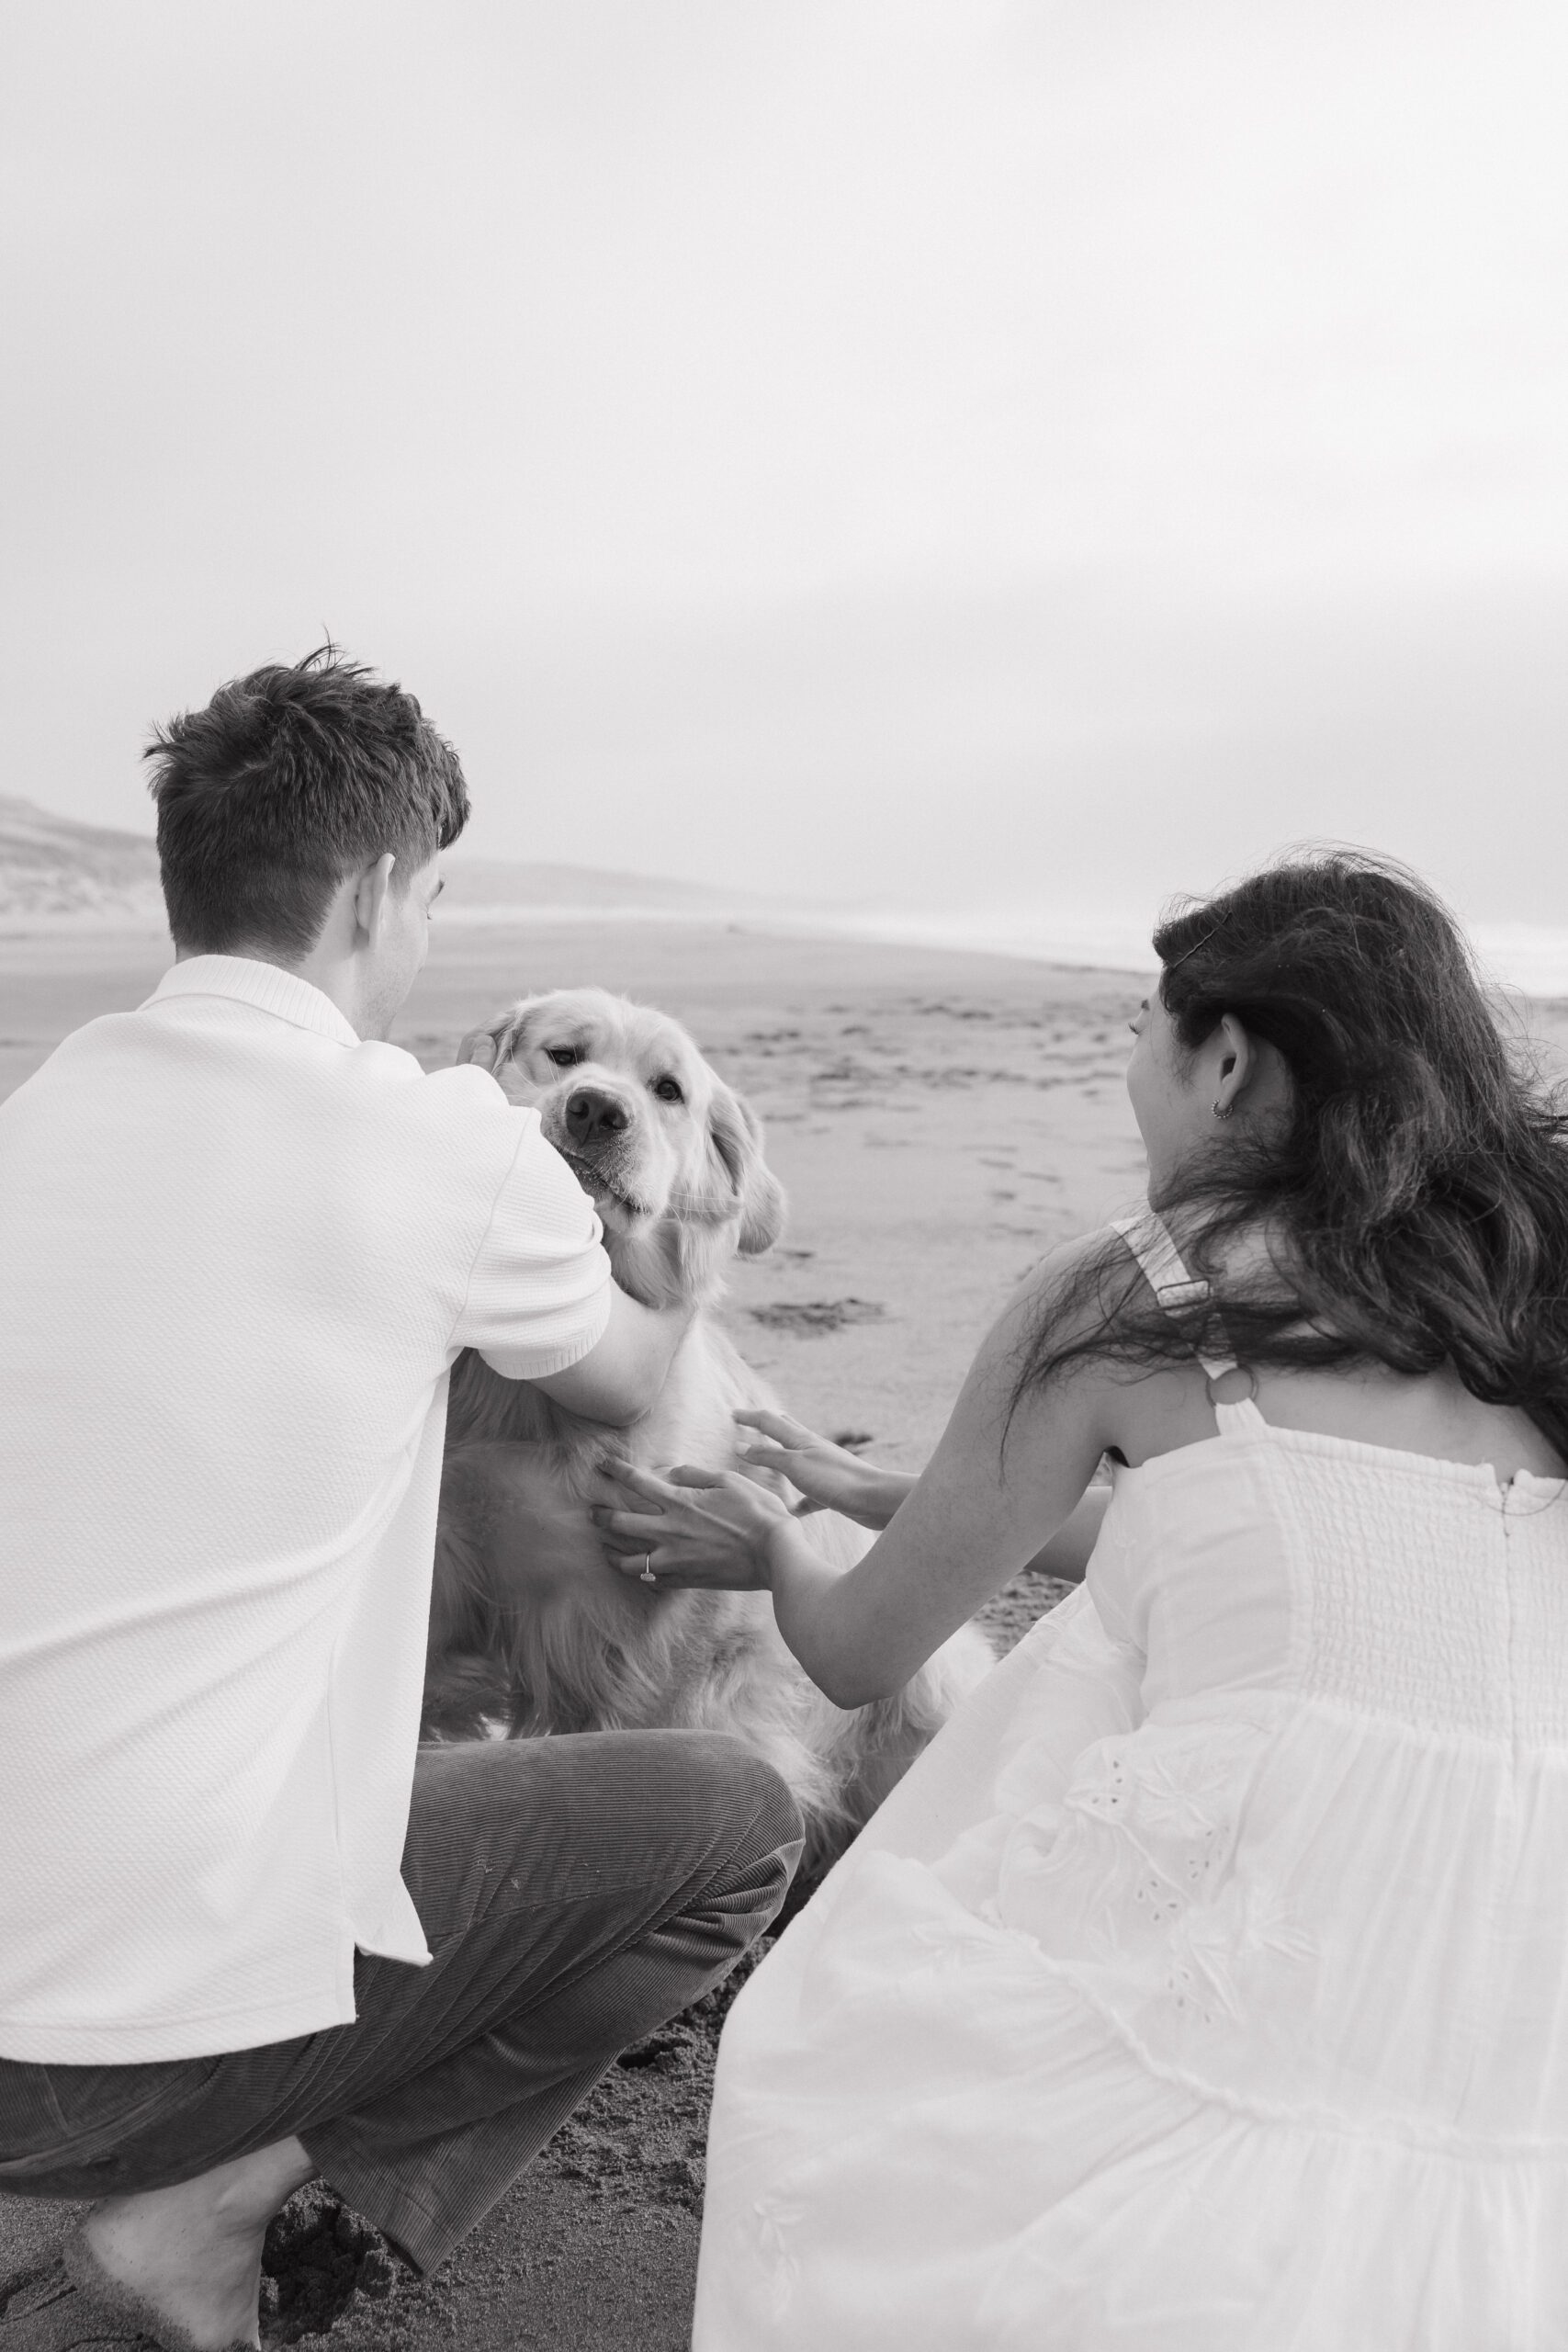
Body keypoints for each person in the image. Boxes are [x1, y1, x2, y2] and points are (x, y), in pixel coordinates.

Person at [596, 852, 1568, 2350]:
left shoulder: (1136, 1290)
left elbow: (859, 1656)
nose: (1135, 1065)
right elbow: (1258, 1539)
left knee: (815, 2060)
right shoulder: (1518, 1289)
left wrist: (780, 1548)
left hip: (1282, 1911)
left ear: (1226, 1056)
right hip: (1511, 1951)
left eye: (1146, 1025)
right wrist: (884, 1498)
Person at [0, 649, 802, 2352]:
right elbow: (634, 1364)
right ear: (376, 889)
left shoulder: (32, 1120)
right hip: (121, 2055)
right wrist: (695, 1248)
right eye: (432, 895)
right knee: (736, 1823)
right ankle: (207, 2223)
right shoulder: (447, 1150)